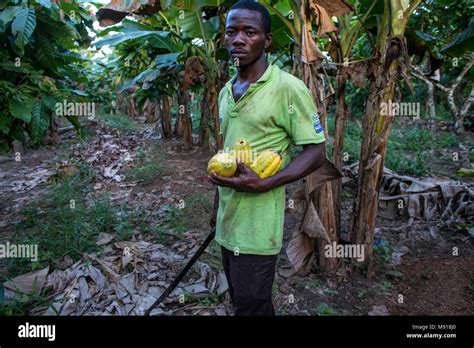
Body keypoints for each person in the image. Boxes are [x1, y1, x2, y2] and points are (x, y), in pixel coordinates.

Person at [209, 0, 327, 316]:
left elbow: (317, 151)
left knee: (252, 305)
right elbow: (228, 153)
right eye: (231, 31)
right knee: (242, 301)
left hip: (259, 226)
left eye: (250, 31)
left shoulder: (288, 88)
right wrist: (216, 207)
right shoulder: (225, 92)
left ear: (267, 40)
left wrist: (268, 182)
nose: (238, 39)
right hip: (227, 222)